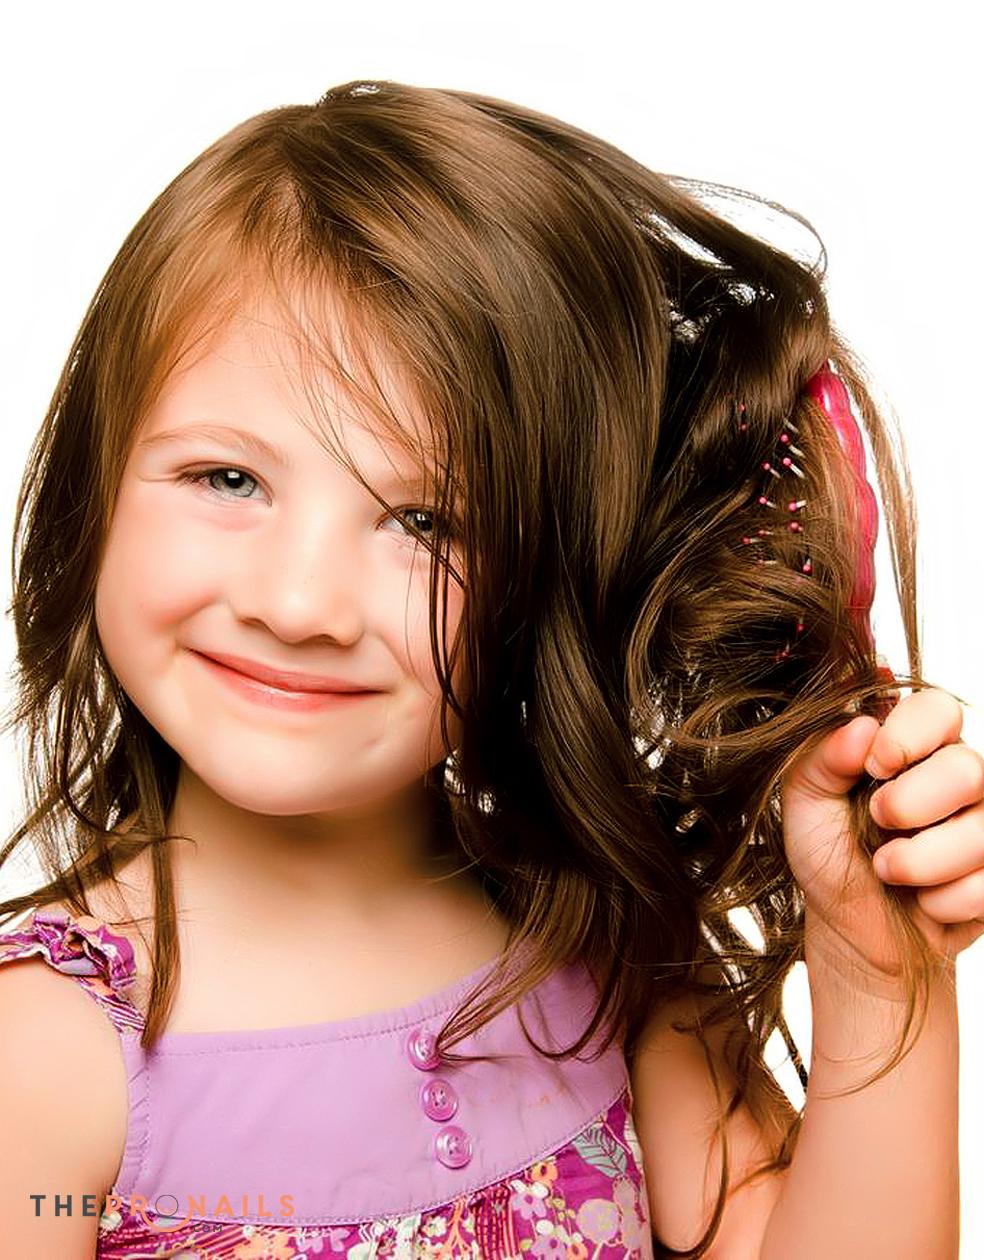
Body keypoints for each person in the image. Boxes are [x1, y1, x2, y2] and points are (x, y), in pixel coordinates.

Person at [0, 78, 978, 1260]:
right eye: (228, 479)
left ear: (553, 574)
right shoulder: (42, 1056)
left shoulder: (594, 939)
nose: (298, 605)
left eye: (426, 522)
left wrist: (876, 973)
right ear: (94, 481)